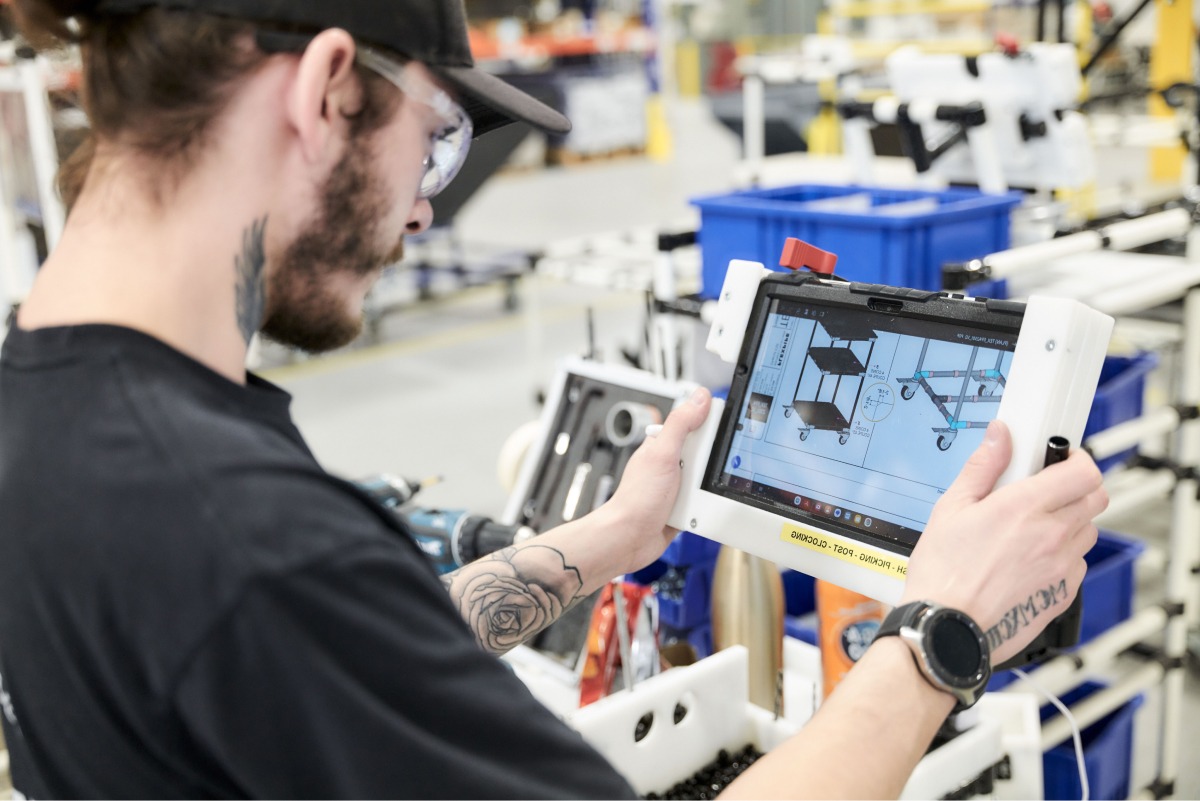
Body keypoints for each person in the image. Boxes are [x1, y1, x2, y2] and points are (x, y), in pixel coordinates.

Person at [0, 0, 1108, 797]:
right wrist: (937, 635)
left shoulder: (54, 408)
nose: (423, 211)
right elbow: (289, 598)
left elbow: (329, 657)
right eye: (435, 142)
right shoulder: (242, 535)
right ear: (327, 90)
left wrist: (611, 538)